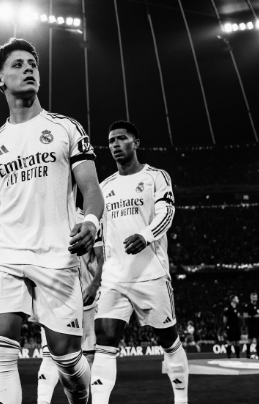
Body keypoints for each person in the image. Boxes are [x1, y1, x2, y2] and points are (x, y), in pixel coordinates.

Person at [0, 38, 103, 404]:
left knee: (67, 360)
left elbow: (92, 190)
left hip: (56, 254)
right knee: (0, 353)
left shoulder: (66, 128)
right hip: (5, 252)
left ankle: (82, 396)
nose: (29, 69)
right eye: (17, 65)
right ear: (0, 80)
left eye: (32, 64)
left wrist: (91, 221)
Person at [91, 120, 188, 404]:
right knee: (104, 343)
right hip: (114, 278)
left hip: (151, 274)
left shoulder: (156, 177)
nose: (115, 144)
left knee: (169, 341)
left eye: (122, 138)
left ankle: (181, 400)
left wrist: (145, 236)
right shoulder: (104, 187)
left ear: (136, 143)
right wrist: (97, 274)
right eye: (111, 140)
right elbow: (100, 235)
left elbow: (167, 214)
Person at [37, 208, 103, 404]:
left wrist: (94, 285)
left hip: (86, 298)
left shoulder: (88, 219)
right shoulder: (46, 215)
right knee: (49, 355)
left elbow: (102, 258)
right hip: (55, 295)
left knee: (87, 356)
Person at [223, 295, 242, 359]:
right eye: (237, 298)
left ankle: (238, 355)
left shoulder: (238, 308)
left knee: (237, 341)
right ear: (233, 300)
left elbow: (239, 317)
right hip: (231, 327)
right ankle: (229, 355)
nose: (238, 300)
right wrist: (226, 327)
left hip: (237, 327)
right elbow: (224, 319)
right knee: (230, 342)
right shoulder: (228, 309)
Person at [245, 292, 259, 358]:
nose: (255, 298)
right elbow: (245, 315)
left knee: (258, 340)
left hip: (258, 325)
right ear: (251, 298)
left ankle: (258, 354)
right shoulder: (248, 306)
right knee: (250, 340)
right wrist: (253, 316)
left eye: (256, 297)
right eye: (253, 297)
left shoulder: (258, 305)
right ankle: (248, 354)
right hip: (251, 325)